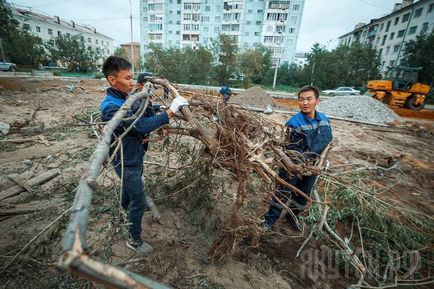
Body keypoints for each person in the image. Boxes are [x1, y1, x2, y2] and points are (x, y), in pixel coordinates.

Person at [100, 56, 188, 253]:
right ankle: (134, 240)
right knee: (139, 200)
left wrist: (159, 107)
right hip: (126, 161)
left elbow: (138, 109)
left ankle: (123, 212)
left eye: (132, 78)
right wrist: (171, 111)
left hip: (134, 157)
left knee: (128, 189)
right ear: (112, 80)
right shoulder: (110, 107)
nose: (131, 83)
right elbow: (139, 125)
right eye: (127, 78)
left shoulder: (123, 97)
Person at [262, 85, 333, 232]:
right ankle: (269, 221)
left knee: (303, 195)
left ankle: (292, 216)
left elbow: (328, 142)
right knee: (283, 193)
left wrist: (322, 161)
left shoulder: (325, 120)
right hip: (293, 167)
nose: (305, 103)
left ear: (317, 101)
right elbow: (293, 152)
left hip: (314, 167)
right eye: (301, 100)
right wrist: (302, 164)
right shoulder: (294, 123)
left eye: (309, 99)